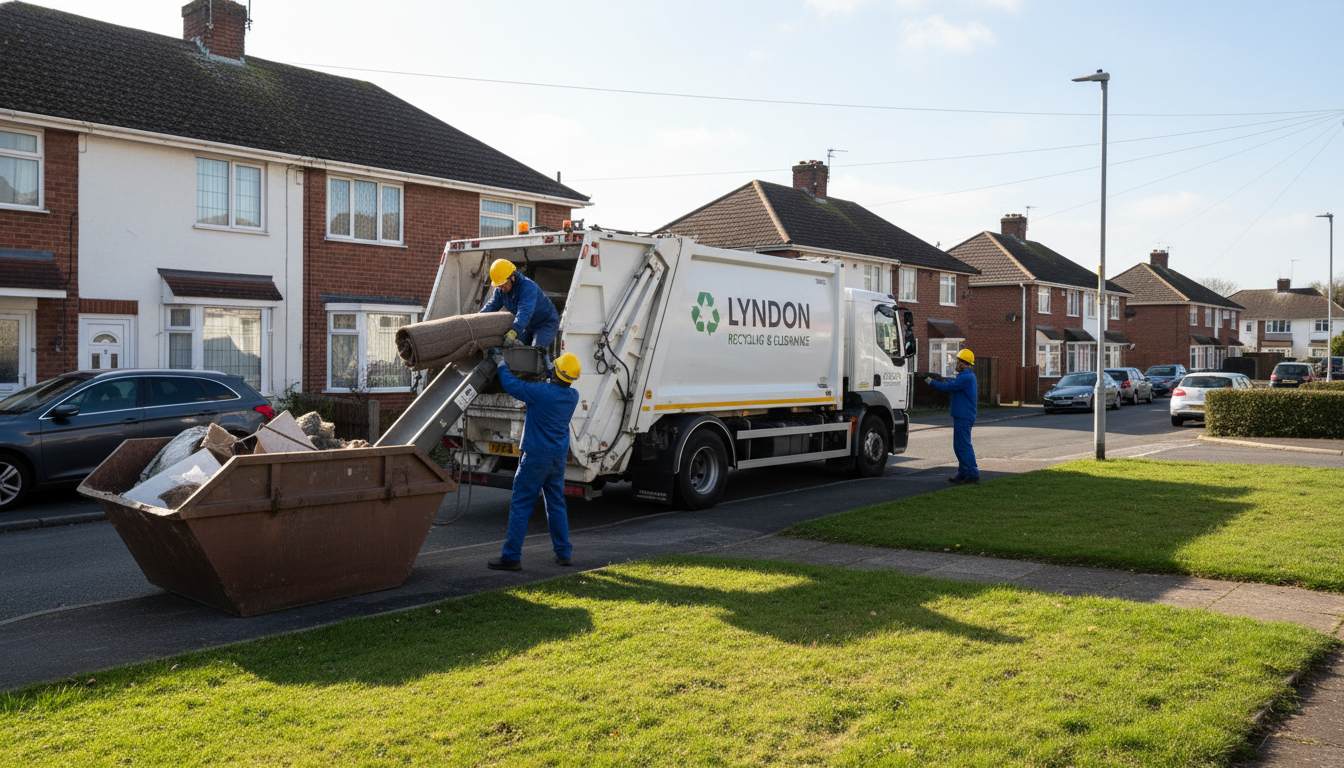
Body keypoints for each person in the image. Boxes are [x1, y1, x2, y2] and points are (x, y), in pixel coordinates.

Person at [486, 349, 582, 570]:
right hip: (557, 458)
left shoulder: (540, 392)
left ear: (556, 374)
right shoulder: (572, 396)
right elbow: (557, 379)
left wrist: (501, 362)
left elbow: (512, 386)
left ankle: (511, 557)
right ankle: (564, 553)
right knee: (556, 504)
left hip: (535, 457)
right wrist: (549, 362)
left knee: (521, 505)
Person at [921, 349, 980, 484]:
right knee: (959, 445)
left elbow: (949, 386)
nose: (957, 363)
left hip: (964, 415)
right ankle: (963, 473)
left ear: (965, 363)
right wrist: (940, 379)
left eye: (959, 361)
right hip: (963, 415)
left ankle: (973, 474)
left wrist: (932, 382)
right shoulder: (965, 376)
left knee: (963, 445)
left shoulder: (966, 377)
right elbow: (951, 381)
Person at [479, 259, 560, 349]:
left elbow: (524, 312)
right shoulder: (501, 290)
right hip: (528, 325)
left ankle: (544, 362)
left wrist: (513, 332)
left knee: (535, 352)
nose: (501, 287)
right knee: (515, 351)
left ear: (512, 278)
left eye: (504, 284)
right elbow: (491, 306)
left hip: (545, 323)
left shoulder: (528, 287)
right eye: (499, 285)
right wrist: (477, 320)